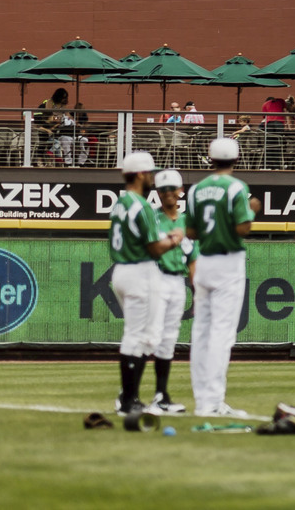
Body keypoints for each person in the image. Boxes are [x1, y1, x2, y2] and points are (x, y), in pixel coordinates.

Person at [187, 136, 254, 417]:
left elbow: (190, 233)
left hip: (204, 260)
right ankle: (213, 402)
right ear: (236, 159)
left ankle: (203, 401)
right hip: (228, 262)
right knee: (222, 334)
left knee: (201, 332)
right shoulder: (237, 187)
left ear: (210, 158)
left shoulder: (195, 190)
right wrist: (253, 210)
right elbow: (244, 228)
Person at [107, 150, 173, 417]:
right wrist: (175, 239)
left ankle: (129, 397)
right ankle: (128, 400)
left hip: (121, 270)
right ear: (142, 174)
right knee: (138, 336)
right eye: (151, 174)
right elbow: (156, 248)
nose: (153, 179)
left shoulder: (119, 204)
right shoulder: (141, 205)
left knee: (143, 336)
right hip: (140, 272)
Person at [146, 168, 193, 414]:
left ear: (180, 191)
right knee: (149, 336)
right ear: (158, 193)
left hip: (178, 281)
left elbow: (193, 255)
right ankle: (128, 393)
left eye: (171, 189)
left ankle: (161, 395)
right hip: (155, 278)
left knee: (168, 340)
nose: (167, 194)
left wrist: (197, 285)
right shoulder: (152, 217)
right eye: (162, 190)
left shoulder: (187, 221)